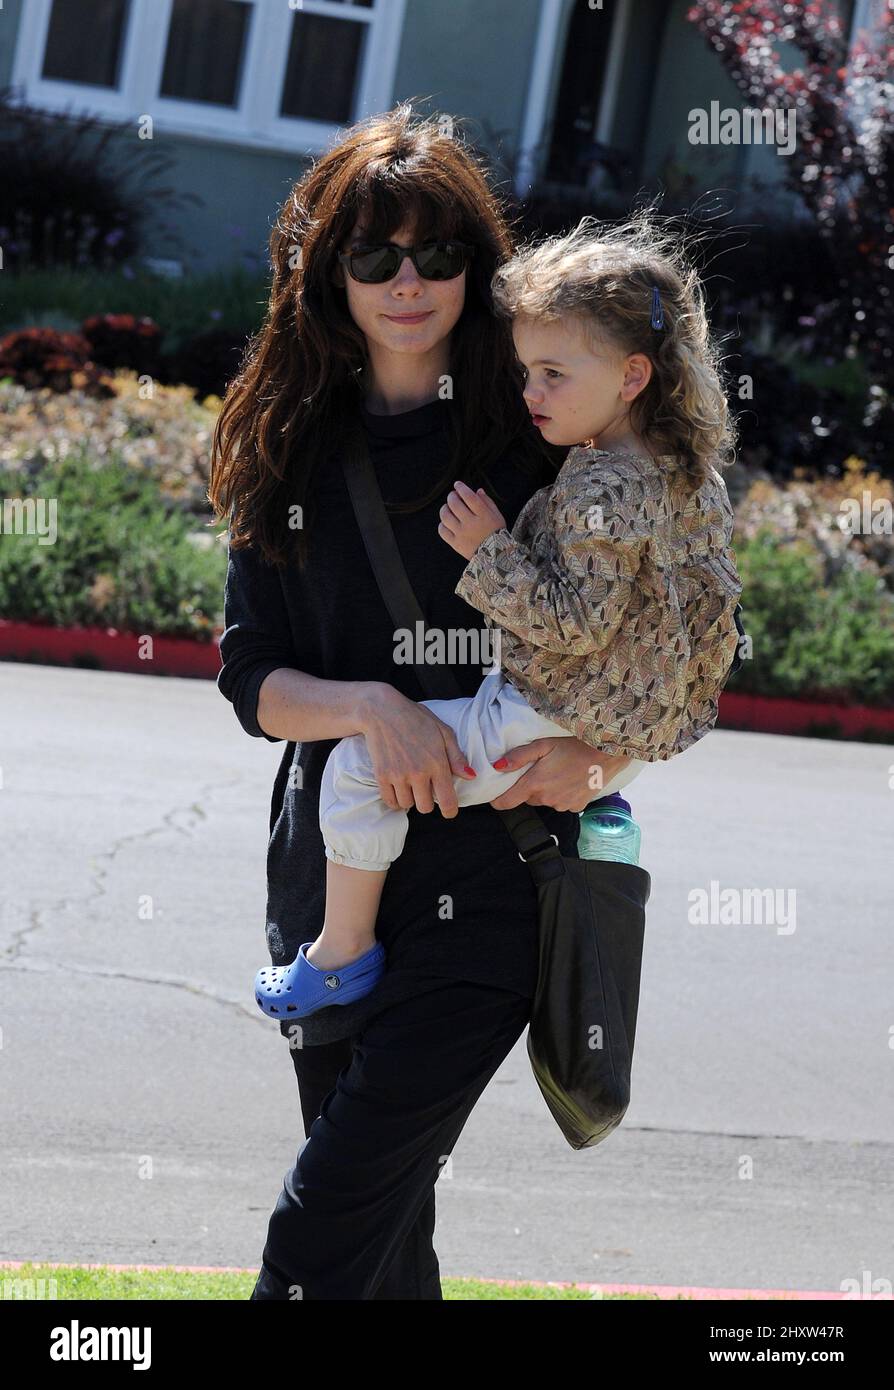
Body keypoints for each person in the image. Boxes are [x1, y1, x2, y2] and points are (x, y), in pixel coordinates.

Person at [212, 104, 634, 1300]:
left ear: (476, 266)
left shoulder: (541, 437)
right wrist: (370, 708)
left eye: (438, 254)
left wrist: (597, 762)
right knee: (388, 1242)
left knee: (324, 1226)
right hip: (331, 897)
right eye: (375, 254)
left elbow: (665, 639)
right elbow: (254, 681)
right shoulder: (288, 446)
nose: (409, 281)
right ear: (328, 270)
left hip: (493, 889)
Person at [252, 209, 743, 1022]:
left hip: (538, 712)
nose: (531, 394)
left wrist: (487, 551)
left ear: (631, 377)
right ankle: (601, 799)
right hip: (607, 711)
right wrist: (618, 745)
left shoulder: (599, 484)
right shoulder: (683, 472)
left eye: (553, 374)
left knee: (355, 770)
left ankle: (339, 956)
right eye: (525, 372)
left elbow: (575, 621)